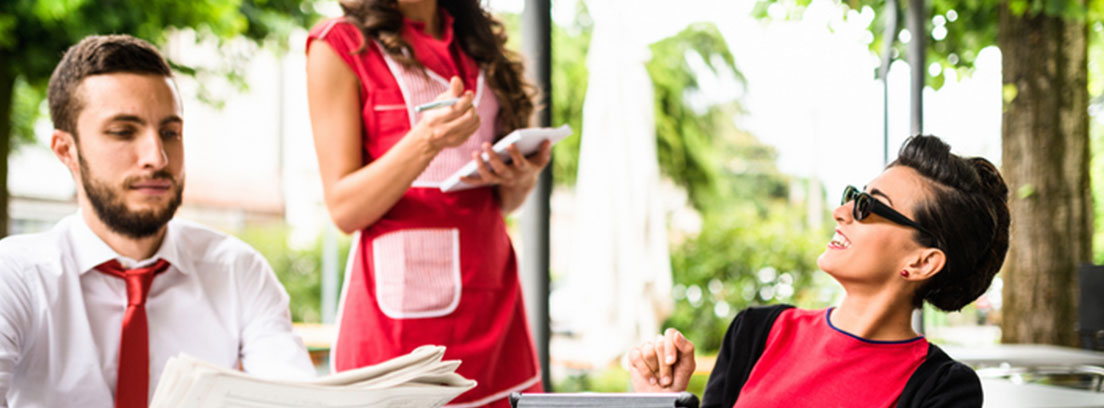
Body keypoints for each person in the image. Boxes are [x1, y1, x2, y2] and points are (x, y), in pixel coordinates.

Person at [0, 35, 315, 407]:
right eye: (123, 132)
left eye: (170, 133)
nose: (158, 157)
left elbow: (295, 397)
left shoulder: (237, 270)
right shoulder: (16, 275)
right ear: (67, 150)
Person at [629, 135, 1009, 407]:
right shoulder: (756, 332)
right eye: (852, 197)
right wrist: (661, 402)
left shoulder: (943, 389)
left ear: (921, 261)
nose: (841, 212)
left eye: (868, 207)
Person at [304, 0, 549, 406]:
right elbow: (344, 208)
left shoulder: (477, 43)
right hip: (401, 339)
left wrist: (521, 178)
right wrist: (426, 141)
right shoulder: (339, 46)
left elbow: (499, 204)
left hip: (496, 313)